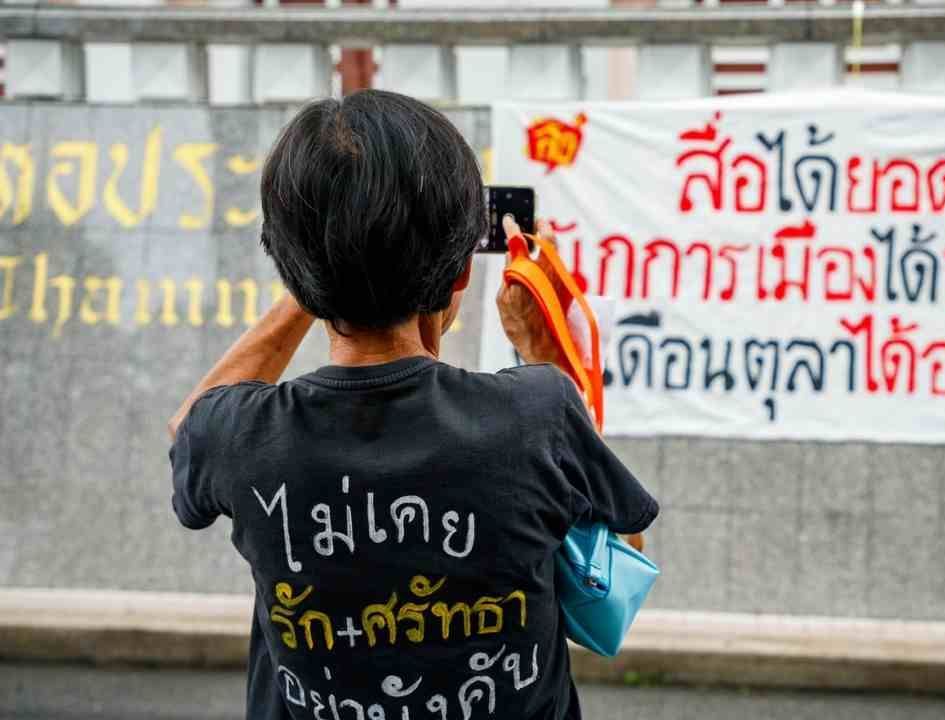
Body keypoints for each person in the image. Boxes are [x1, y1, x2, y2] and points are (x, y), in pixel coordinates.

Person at [166, 89, 658, 720]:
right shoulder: (536, 412)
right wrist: (542, 346)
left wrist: (320, 271)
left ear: (292, 271)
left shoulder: (240, 436)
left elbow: (189, 427)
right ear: (461, 273)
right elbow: (620, 560)